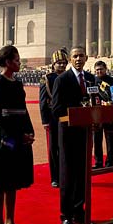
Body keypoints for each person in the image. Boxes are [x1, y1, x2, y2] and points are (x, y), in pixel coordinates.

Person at [0, 46, 35, 224]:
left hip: (18, 134)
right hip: (3, 136)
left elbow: (23, 109)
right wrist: (18, 134)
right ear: (7, 62)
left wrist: (29, 131)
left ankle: (10, 220)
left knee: (12, 179)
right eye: (16, 60)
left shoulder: (17, 83)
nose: (19, 63)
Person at [52, 46, 95, 224]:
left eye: (81, 56)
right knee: (68, 174)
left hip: (85, 132)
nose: (78, 59)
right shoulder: (62, 79)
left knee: (83, 173)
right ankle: (66, 213)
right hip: (68, 133)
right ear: (70, 59)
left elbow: (96, 101)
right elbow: (56, 108)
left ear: (86, 58)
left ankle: (79, 210)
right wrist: (76, 114)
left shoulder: (91, 79)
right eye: (75, 56)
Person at [39, 49, 68, 187]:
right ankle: (55, 177)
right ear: (53, 64)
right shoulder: (47, 78)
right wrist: (45, 121)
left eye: (64, 63)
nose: (61, 66)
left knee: (65, 147)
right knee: (53, 148)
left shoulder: (69, 77)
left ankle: (65, 175)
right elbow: (43, 102)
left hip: (67, 117)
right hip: (52, 118)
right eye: (58, 63)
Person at [93, 60, 113, 168]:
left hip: (109, 113)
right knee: (97, 139)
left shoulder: (112, 81)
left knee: (110, 138)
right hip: (96, 114)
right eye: (97, 69)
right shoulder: (92, 81)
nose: (99, 71)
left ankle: (110, 162)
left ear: (105, 69)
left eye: (101, 69)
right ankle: (98, 162)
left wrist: (111, 102)